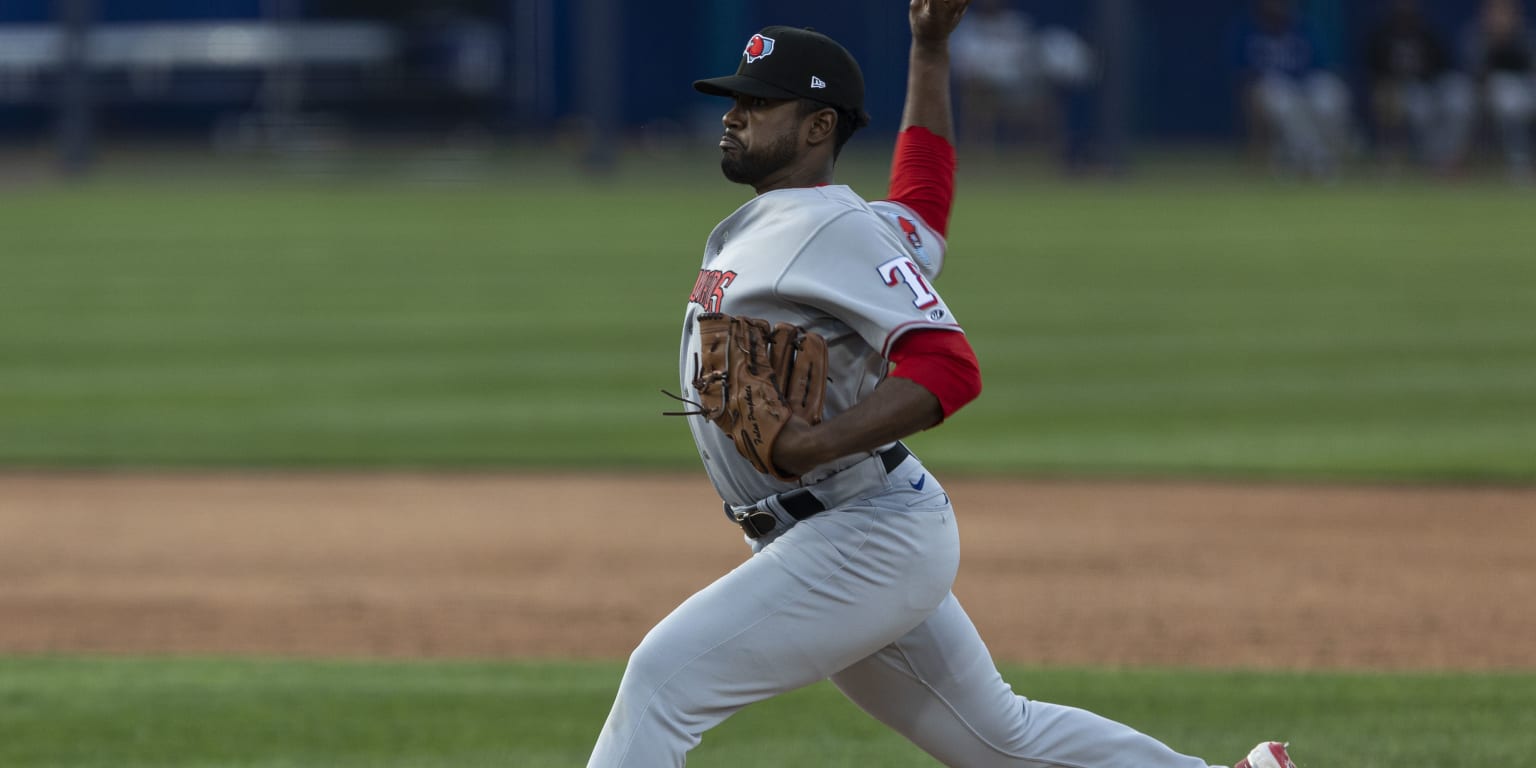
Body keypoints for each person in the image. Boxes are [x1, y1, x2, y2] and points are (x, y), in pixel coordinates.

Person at [587, 2, 1294, 767]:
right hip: (841, 528)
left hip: (863, 534)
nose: (734, 117)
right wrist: (929, 47)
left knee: (660, 683)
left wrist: (814, 441)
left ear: (820, 126)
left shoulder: (828, 229)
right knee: (1002, 742)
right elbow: (924, 196)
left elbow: (948, 366)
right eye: (734, 101)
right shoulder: (817, 222)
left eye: (758, 103)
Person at [1232, 0, 1354, 178]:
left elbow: (1321, 67)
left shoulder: (1303, 26)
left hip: (1304, 86)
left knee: (1331, 92)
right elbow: (1243, 75)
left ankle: (1319, 156)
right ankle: (1307, 158)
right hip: (1273, 89)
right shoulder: (1247, 29)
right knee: (1279, 95)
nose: (1277, 6)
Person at [1365, 0, 1477, 173]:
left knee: (1458, 95)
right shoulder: (1383, 33)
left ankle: (1449, 158)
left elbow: (1444, 65)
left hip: (1431, 87)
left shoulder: (1426, 29)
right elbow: (1374, 73)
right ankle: (1434, 160)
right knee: (1419, 104)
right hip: (1400, 92)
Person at [1461, 0, 1536, 180]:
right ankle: (1518, 163)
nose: (1500, 19)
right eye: (1496, 13)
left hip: (1524, 93)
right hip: (1487, 96)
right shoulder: (1477, 38)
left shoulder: (1525, 38)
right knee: (1505, 97)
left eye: (1505, 13)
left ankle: (1523, 164)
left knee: (1513, 98)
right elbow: (1477, 75)